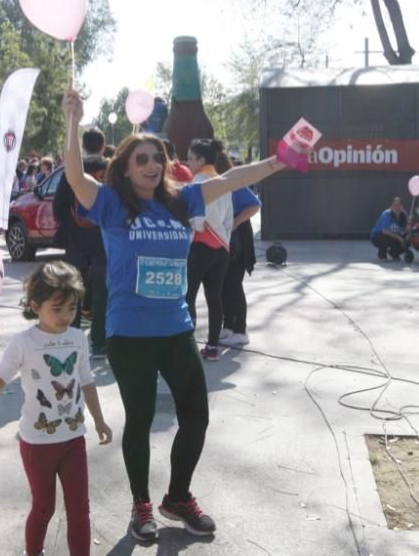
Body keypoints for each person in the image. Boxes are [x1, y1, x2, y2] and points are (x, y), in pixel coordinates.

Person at [61, 86, 289, 541]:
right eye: (141, 160)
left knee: (196, 416)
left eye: (156, 159)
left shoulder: (181, 200)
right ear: (124, 168)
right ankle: (141, 504)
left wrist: (277, 161)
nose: (151, 165)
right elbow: (74, 175)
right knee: (140, 420)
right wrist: (73, 121)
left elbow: (230, 179)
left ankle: (178, 496)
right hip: (130, 333)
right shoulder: (111, 204)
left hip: (176, 329)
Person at [0, 261, 112, 556]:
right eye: (56, 308)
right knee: (44, 507)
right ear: (35, 305)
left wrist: (99, 420)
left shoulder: (77, 339)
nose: (65, 316)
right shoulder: (23, 342)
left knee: (79, 511)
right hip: (37, 443)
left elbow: (86, 380)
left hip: (73, 440)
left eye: (71, 308)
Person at [53, 127, 110, 359]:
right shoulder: (111, 170)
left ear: (84, 146)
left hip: (76, 240)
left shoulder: (73, 170)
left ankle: (72, 338)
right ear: (103, 146)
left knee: (73, 289)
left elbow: (58, 206)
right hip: (103, 239)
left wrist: (71, 227)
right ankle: (99, 342)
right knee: (101, 291)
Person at [184, 139, 233, 362]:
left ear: (202, 160)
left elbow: (197, 219)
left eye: (191, 158)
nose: (188, 162)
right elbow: (229, 219)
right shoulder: (222, 181)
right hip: (221, 247)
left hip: (200, 246)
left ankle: (186, 346)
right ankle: (213, 347)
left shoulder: (199, 181)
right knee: (215, 298)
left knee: (188, 296)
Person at [220, 184, 261, 347]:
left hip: (237, 240)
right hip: (223, 237)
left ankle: (240, 330)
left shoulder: (233, 183)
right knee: (223, 285)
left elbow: (255, 204)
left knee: (234, 285)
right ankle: (228, 325)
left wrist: (235, 222)